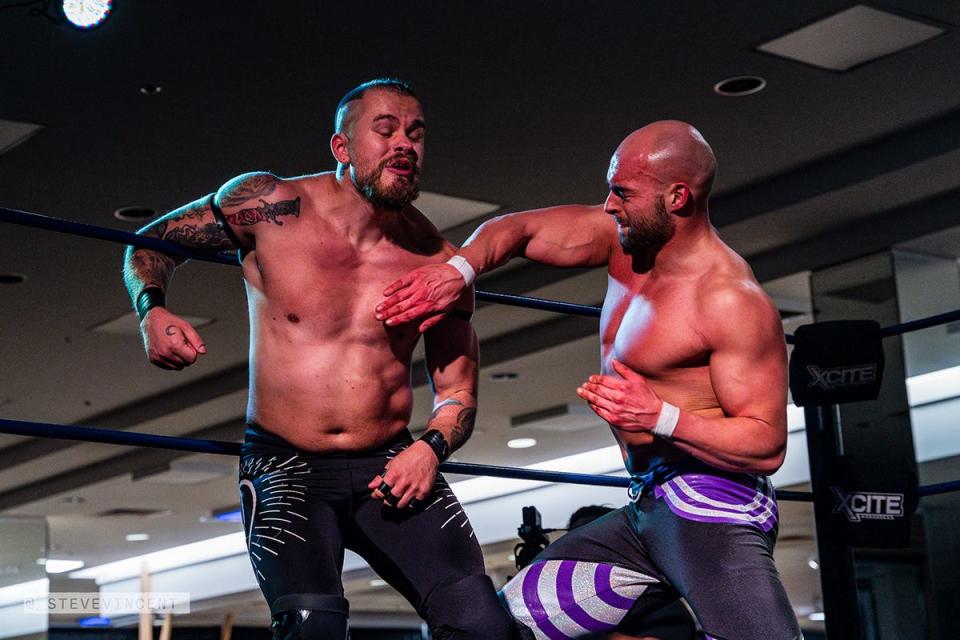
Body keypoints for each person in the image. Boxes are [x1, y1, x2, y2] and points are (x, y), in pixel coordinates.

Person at [376, 121, 803, 639]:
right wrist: (459, 271)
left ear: (678, 197)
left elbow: (766, 445)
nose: (608, 205)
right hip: (645, 511)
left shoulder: (729, 299)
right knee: (493, 628)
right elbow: (518, 230)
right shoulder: (624, 245)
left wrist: (659, 416)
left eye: (623, 192)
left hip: (713, 505)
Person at [122, 78, 515, 640]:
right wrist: (151, 310)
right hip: (287, 466)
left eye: (415, 133)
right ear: (341, 147)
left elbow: (459, 395)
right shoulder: (267, 205)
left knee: (482, 624)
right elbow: (151, 243)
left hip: (392, 465)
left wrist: (429, 450)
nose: (404, 143)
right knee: (313, 630)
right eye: (385, 130)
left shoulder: (441, 264)